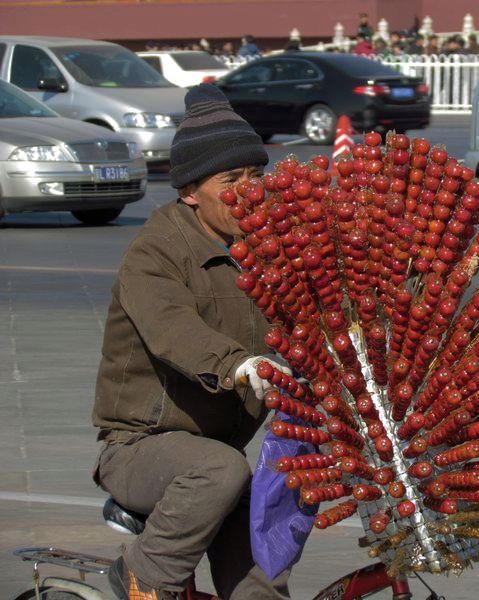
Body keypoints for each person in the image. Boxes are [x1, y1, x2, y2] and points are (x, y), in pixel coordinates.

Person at [92, 83, 292, 600]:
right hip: (142, 448)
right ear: (189, 192)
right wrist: (239, 364)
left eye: (256, 175)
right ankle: (143, 576)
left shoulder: (265, 248)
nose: (250, 191)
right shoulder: (154, 252)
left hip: (221, 455)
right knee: (220, 470)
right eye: (231, 179)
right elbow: (173, 330)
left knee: (264, 561)